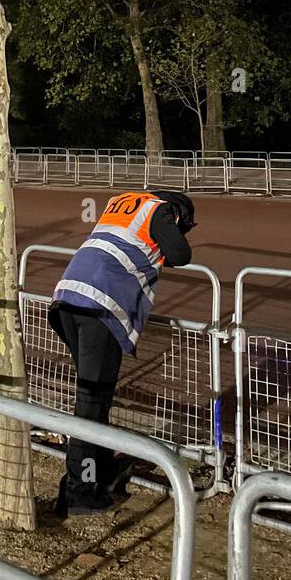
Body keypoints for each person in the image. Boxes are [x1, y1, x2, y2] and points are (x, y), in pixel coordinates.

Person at [48, 188, 196, 516]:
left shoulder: (124, 203)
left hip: (69, 298)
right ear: (180, 216)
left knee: (94, 399)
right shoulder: (159, 211)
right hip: (100, 307)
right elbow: (181, 254)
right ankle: (78, 491)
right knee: (91, 403)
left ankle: (98, 471)